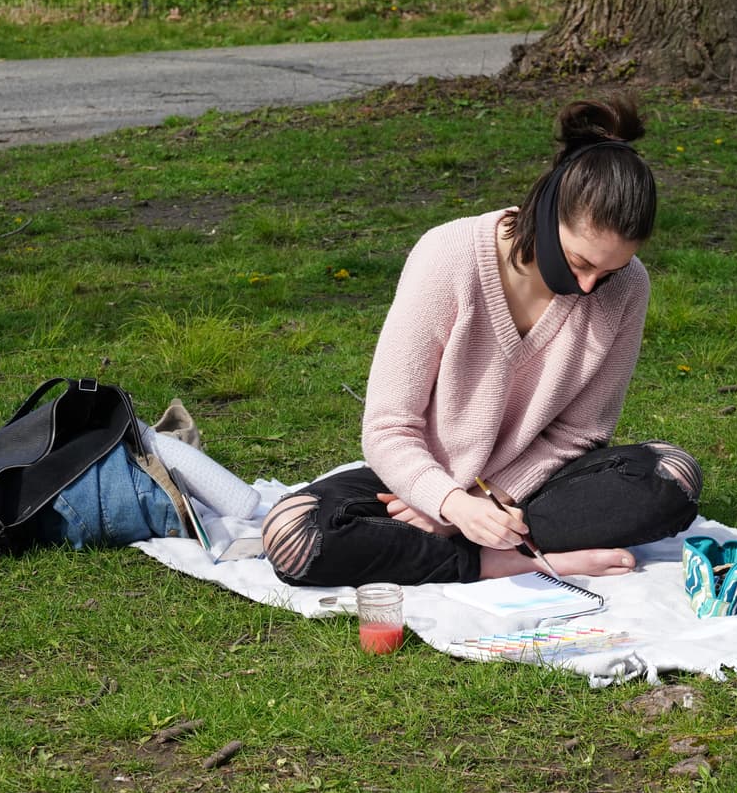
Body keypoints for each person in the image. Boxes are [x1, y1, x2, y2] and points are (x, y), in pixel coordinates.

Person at [262, 95, 701, 587]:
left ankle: (458, 547)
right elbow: (389, 428)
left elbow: (580, 434)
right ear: (546, 209)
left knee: (671, 477)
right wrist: (447, 503)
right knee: (295, 535)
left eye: (609, 270)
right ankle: (504, 561)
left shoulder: (628, 286)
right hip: (416, 483)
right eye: (580, 262)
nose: (588, 287)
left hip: (529, 487)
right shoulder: (448, 255)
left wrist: (491, 500)